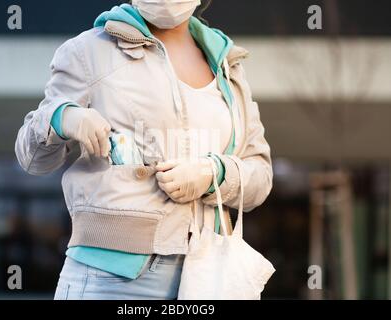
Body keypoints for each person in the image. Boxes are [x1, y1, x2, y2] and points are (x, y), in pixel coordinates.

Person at [15, 0, 272, 300]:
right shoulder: (89, 51)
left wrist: (214, 173)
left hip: (209, 277)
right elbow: (31, 158)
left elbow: (260, 176)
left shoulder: (229, 67)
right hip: (111, 279)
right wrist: (62, 117)